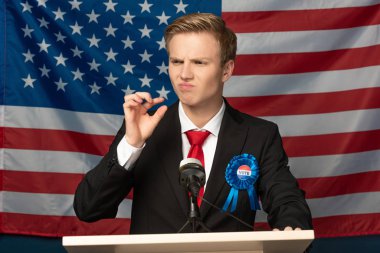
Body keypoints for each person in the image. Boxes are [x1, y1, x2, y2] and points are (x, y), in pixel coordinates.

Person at [74, 13, 312, 234]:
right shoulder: (141, 129)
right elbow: (88, 209)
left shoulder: (260, 135)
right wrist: (132, 145)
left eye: (199, 63)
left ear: (226, 70)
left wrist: (291, 228)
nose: (184, 74)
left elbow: (287, 201)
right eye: (177, 61)